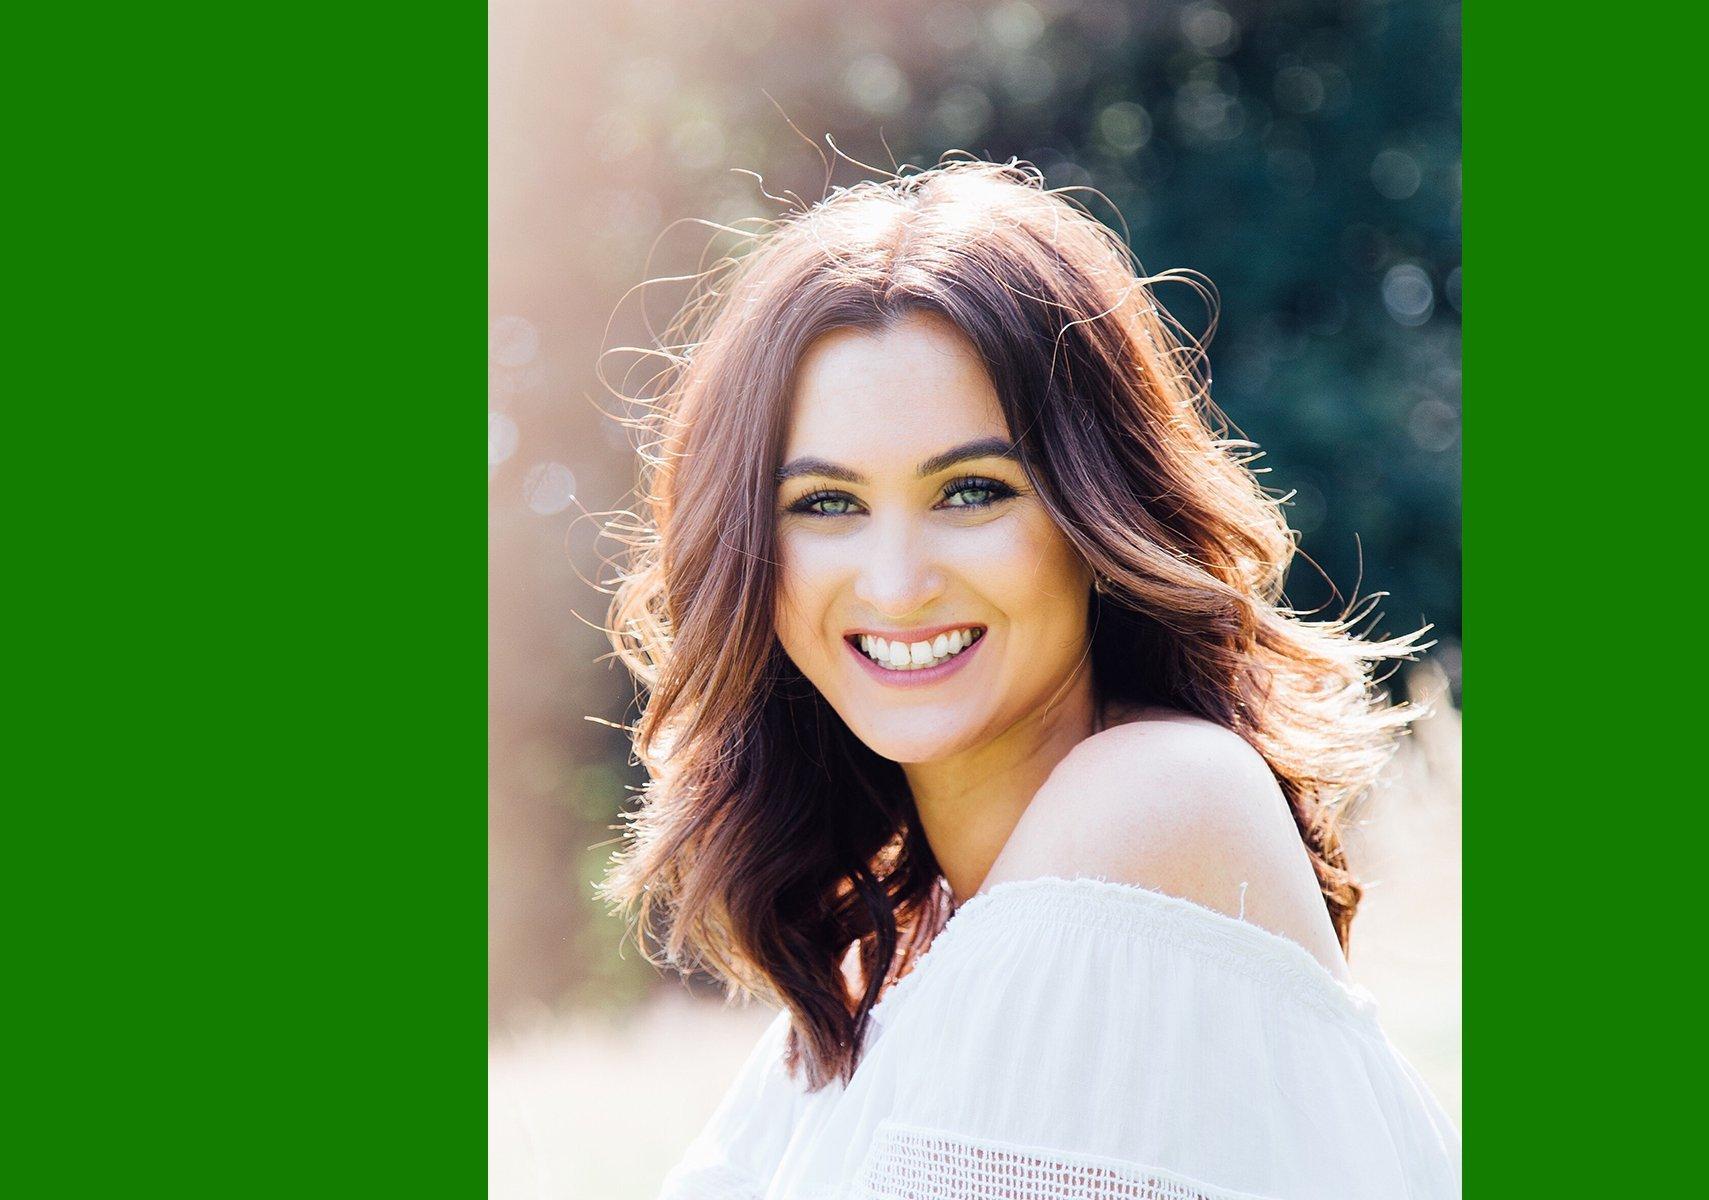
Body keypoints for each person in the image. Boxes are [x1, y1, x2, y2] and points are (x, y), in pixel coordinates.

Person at [601, 158, 1460, 1199]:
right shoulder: (895, 951)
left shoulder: (1156, 798)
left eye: (970, 491)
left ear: (1096, 515)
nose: (896, 582)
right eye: (825, 504)